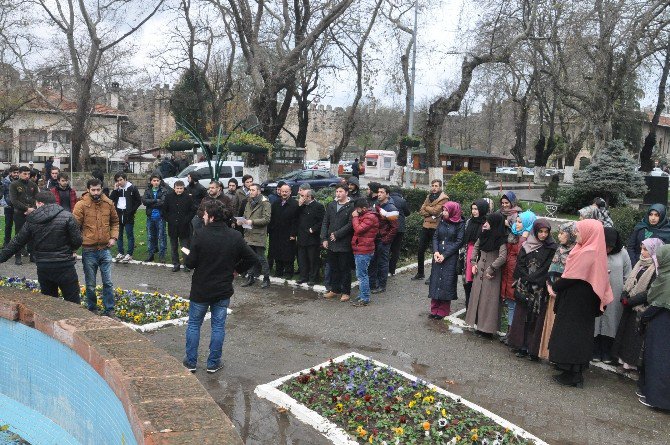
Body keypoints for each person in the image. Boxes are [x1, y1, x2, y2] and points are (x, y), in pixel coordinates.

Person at [182, 199, 259, 374]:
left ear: (212, 216)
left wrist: (188, 256)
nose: (203, 216)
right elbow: (252, 258)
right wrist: (237, 270)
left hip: (201, 289)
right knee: (218, 326)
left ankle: (191, 362)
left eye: (206, 214)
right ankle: (213, 363)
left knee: (194, 324)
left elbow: (191, 264)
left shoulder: (200, 235)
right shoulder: (235, 236)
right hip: (222, 289)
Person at [549, 219, 613, 387]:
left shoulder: (588, 252)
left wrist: (554, 286)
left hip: (577, 303)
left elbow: (571, 277)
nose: (576, 234)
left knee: (572, 336)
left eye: (578, 231)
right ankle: (570, 370)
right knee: (575, 335)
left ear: (589, 233)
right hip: (581, 302)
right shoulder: (590, 250)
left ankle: (573, 375)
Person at [0, 191, 82, 303]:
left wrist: (2, 257)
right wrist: (70, 249)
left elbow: (17, 242)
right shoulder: (67, 216)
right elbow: (77, 240)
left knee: (49, 304)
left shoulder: (32, 219)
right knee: (73, 303)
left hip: (44, 266)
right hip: (65, 265)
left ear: (39, 203)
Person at [507, 219, 557, 360]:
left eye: (546, 232)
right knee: (522, 316)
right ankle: (521, 346)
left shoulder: (551, 248)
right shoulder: (526, 245)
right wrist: (527, 278)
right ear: (535, 231)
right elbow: (520, 264)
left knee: (536, 318)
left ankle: (533, 350)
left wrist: (535, 279)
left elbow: (547, 267)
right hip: (525, 286)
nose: (543, 235)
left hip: (539, 289)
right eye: (540, 231)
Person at [611, 237, 664, 370]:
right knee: (626, 335)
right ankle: (622, 360)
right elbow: (630, 281)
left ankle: (631, 364)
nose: (642, 251)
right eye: (641, 248)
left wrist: (630, 301)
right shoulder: (640, 263)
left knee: (634, 338)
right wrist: (624, 295)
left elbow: (650, 291)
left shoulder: (656, 269)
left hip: (641, 308)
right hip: (630, 307)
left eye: (646, 249)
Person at [73, 178, 120, 316]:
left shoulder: (108, 203)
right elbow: (74, 227)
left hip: (105, 249)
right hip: (89, 250)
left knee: (108, 283)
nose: (95, 192)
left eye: (98, 189)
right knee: (91, 284)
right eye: (93, 190)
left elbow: (115, 222)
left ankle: (109, 310)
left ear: (101, 188)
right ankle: (92, 308)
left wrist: (113, 237)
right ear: (88, 190)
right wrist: (74, 248)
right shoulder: (81, 205)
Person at [638, 244, 670, 409]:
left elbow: (658, 302)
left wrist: (644, 317)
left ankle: (659, 400)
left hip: (662, 323)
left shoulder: (666, 278)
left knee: (659, 360)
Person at [464, 213, 507, 335]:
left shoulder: (501, 239)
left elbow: (503, 257)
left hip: (491, 275)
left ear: (494, 223)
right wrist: (473, 263)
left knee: (489, 301)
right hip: (479, 271)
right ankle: (477, 325)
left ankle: (487, 329)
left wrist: (491, 268)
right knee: (478, 298)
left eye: (488, 222)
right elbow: (476, 248)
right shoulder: (483, 235)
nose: (485, 224)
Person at [539, 222, 577, 360]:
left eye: (562, 233)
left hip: (564, 293)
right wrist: (549, 286)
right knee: (549, 321)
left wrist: (558, 288)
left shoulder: (576, 251)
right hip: (552, 291)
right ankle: (546, 352)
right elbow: (551, 269)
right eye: (559, 233)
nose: (559, 236)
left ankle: (556, 355)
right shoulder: (559, 249)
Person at [593, 228, 632, 363]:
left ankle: (608, 352)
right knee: (597, 320)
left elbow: (628, 275)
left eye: (611, 246)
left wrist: (625, 292)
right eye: (606, 245)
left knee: (611, 321)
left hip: (615, 295)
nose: (608, 249)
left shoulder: (623, 253)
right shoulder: (595, 250)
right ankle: (595, 351)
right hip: (597, 292)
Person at [427, 201, 465, 319]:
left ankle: (443, 310)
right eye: (443, 210)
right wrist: (436, 252)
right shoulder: (442, 221)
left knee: (446, 282)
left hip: (450, 257)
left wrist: (445, 255)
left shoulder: (460, 224)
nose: (444, 212)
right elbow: (435, 237)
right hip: (438, 255)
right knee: (435, 280)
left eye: (446, 210)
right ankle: (434, 309)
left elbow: (459, 241)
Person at [499, 194, 527, 335]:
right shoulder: (500, 213)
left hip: (512, 254)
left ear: (512, 202)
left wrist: (507, 224)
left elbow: (517, 231)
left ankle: (512, 331)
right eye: (502, 202)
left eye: (507, 202)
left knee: (512, 297)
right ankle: (508, 329)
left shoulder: (517, 215)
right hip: (505, 252)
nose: (504, 205)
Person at [321, 184, 354, 301]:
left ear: (346, 193)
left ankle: (346, 292)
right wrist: (324, 239)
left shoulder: (351, 206)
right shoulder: (331, 205)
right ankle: (334, 290)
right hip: (331, 243)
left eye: (340, 191)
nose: (338, 194)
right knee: (334, 267)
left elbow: (350, 224)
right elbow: (325, 222)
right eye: (337, 192)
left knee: (344, 268)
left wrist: (337, 234)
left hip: (344, 243)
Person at [412, 180, 449, 281]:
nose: (434, 188)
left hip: (436, 227)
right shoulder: (429, 196)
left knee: (435, 252)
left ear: (440, 187)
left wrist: (428, 209)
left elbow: (436, 211)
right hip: (426, 226)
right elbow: (421, 210)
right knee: (420, 250)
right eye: (432, 185)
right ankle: (420, 273)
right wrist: (430, 211)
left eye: (436, 186)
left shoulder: (444, 198)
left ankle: (433, 275)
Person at [368, 186, 398, 294]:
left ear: (387, 194)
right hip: (375, 239)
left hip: (383, 240)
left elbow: (394, 227)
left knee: (382, 263)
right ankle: (372, 284)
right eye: (378, 192)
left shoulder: (391, 208)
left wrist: (386, 239)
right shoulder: (376, 205)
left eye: (382, 192)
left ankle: (382, 285)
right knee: (372, 261)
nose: (379, 194)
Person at [241, 183, 272, 288]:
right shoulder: (248, 201)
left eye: (253, 190)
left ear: (259, 191)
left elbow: (266, 219)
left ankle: (266, 279)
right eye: (250, 190)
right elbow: (245, 215)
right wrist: (242, 221)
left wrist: (252, 222)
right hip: (249, 233)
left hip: (258, 234)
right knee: (249, 257)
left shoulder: (265, 203)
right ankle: (250, 277)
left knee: (261, 258)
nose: (251, 192)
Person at [462, 199, 490, 310]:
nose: (474, 211)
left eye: (476, 209)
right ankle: (468, 306)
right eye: (473, 209)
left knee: (478, 282)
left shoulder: (486, 223)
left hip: (480, 255)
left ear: (482, 209)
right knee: (467, 282)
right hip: (468, 253)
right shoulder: (469, 221)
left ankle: (477, 310)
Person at [350, 197, 379, 306]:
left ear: (364, 208)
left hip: (364, 250)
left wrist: (355, 218)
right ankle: (362, 295)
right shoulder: (366, 215)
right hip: (361, 248)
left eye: (357, 209)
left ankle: (365, 298)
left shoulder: (370, 217)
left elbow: (358, 229)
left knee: (362, 275)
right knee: (361, 274)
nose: (356, 211)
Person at [109, 172, 142, 263]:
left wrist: (132, 211)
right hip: (118, 215)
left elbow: (138, 201)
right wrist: (115, 190)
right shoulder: (117, 190)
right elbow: (110, 200)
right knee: (119, 235)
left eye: (121, 180)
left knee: (129, 235)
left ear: (125, 179)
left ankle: (129, 254)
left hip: (128, 216)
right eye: (117, 180)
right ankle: (120, 252)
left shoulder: (132, 188)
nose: (119, 182)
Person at [268, 183, 299, 277]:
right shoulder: (275, 203)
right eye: (282, 191)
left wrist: (293, 234)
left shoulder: (294, 204)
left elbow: (296, 220)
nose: (284, 193)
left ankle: (289, 272)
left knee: (288, 254)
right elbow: (271, 218)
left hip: (288, 233)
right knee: (277, 252)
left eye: (286, 191)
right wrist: (270, 230)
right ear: (279, 192)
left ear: (290, 192)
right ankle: (278, 271)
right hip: (276, 233)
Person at [9, 166, 39, 265]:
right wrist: (26, 209)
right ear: (20, 173)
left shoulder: (33, 185)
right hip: (19, 214)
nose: (27, 176)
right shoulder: (14, 185)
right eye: (24, 174)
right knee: (19, 235)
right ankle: (18, 256)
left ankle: (32, 255)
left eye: (28, 174)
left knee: (32, 234)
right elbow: (14, 201)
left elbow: (36, 198)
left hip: (32, 214)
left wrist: (33, 208)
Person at [164, 180, 195, 272]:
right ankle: (176, 264)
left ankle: (186, 264)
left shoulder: (188, 198)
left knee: (185, 247)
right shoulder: (168, 197)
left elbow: (192, 210)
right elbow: (164, 211)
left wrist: (186, 220)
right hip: (172, 226)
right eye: (177, 188)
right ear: (174, 188)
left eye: (181, 188)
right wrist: (169, 219)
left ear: (183, 188)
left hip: (184, 227)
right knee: (173, 247)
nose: (179, 190)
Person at [296, 189, 325, 285]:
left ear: (309, 197)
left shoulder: (318, 206)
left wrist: (313, 229)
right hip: (301, 236)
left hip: (312, 237)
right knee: (302, 258)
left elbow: (322, 221)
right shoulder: (301, 206)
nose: (301, 198)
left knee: (312, 259)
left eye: (302, 196)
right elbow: (295, 217)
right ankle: (303, 276)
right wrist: (299, 205)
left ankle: (313, 278)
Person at [142, 174, 168, 262]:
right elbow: (144, 201)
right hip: (150, 217)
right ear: (151, 181)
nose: (156, 182)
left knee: (161, 236)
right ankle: (151, 254)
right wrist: (156, 200)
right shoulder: (148, 190)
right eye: (154, 180)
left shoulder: (164, 190)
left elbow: (163, 202)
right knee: (150, 236)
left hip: (160, 217)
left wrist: (151, 202)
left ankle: (162, 256)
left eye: (157, 180)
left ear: (160, 181)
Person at [388, 187, 411, 275]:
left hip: (389, 227)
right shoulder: (402, 201)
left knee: (387, 248)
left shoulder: (388, 199)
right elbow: (407, 213)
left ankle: (384, 268)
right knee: (396, 250)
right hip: (399, 228)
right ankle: (392, 270)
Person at [2, 166, 19, 246]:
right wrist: (5, 204)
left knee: (18, 227)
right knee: (8, 225)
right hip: (8, 207)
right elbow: (2, 194)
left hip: (18, 208)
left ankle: (17, 244)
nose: (16, 174)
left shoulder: (20, 181)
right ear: (10, 173)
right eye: (14, 172)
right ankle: (6, 243)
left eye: (17, 172)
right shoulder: (4, 182)